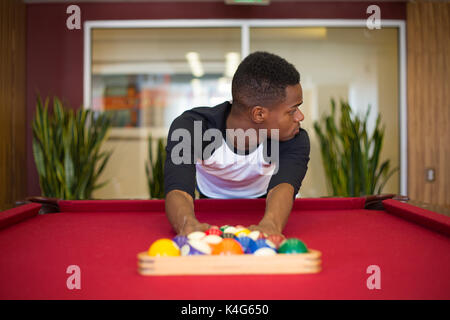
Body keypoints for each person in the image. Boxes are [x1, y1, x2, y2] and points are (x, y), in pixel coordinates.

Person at [164, 51, 310, 237]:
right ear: (259, 114)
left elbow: (283, 187)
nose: (300, 117)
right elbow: (178, 189)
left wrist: (271, 225)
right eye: (292, 110)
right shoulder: (191, 128)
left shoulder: (294, 136)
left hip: (264, 202)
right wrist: (187, 223)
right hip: (209, 203)